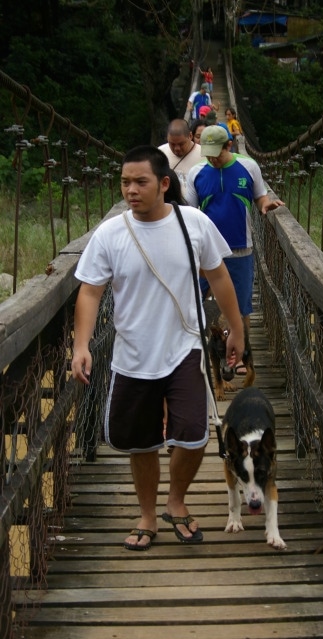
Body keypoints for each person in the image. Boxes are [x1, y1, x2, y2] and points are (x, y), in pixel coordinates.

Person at [71, 145, 244, 550]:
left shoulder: (194, 224)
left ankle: (176, 500)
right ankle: (148, 515)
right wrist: (82, 344)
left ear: (164, 184)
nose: (131, 190)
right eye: (125, 182)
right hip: (132, 354)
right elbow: (90, 292)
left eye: (140, 182)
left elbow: (219, 279)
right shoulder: (110, 234)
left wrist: (236, 330)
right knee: (142, 441)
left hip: (185, 346)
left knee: (194, 434)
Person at [185, 126, 284, 374]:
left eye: (216, 154)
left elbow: (260, 196)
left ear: (229, 146)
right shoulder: (196, 173)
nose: (211, 159)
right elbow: (190, 213)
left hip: (240, 248)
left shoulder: (249, 167)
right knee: (191, 301)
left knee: (241, 308)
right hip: (205, 252)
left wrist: (265, 205)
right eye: (207, 154)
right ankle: (192, 355)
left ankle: (240, 356)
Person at [158, 119, 202, 197]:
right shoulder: (160, 154)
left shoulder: (203, 155)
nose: (177, 148)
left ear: (190, 136)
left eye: (181, 144)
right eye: (172, 144)